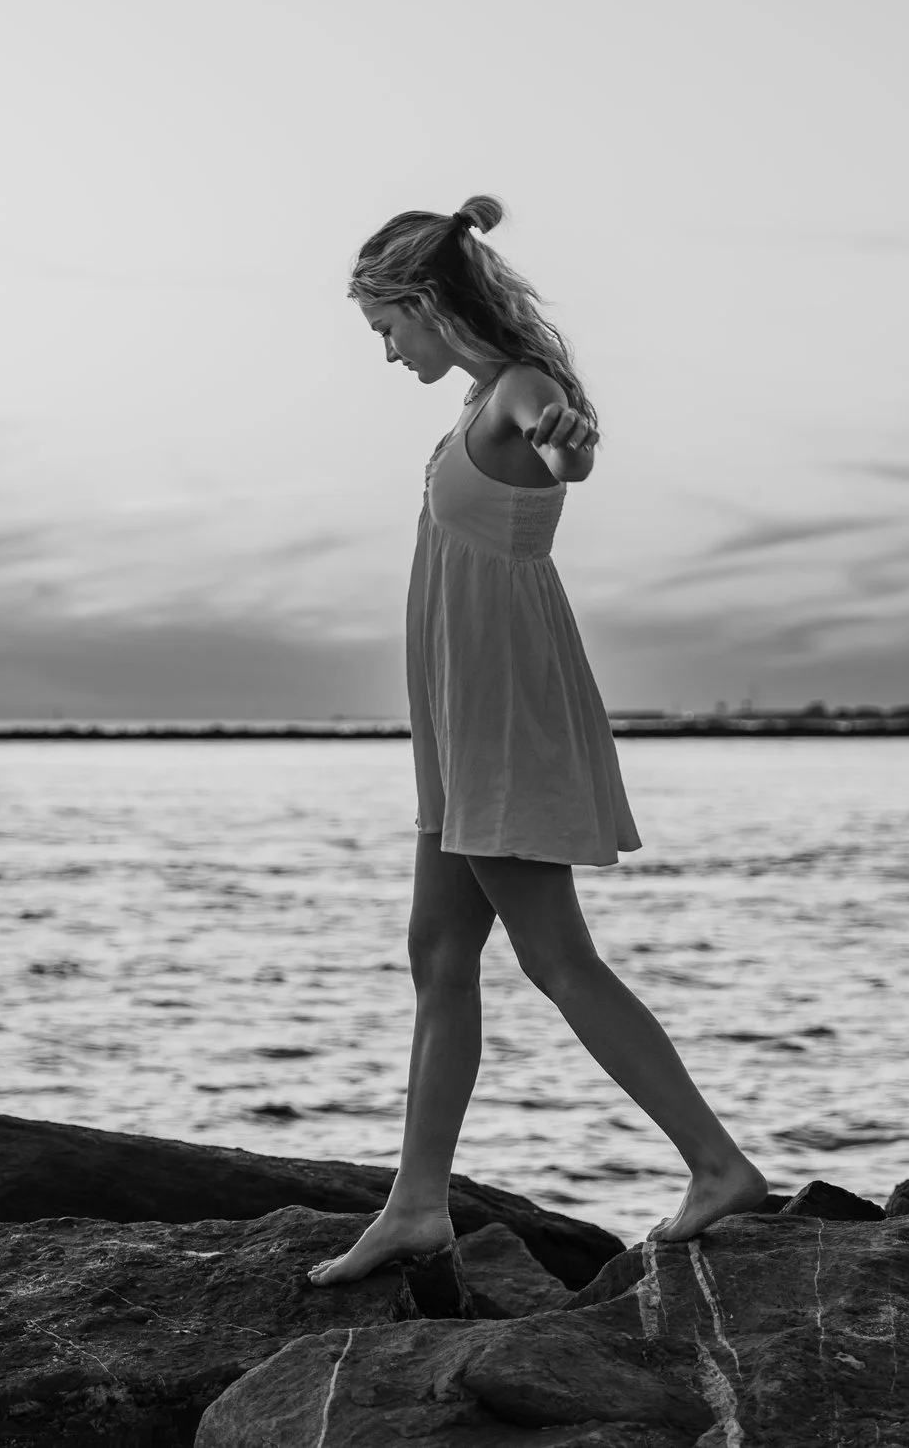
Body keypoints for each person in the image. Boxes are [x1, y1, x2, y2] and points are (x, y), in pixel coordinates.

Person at [308, 195, 766, 1287]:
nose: (384, 350)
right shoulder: (476, 397)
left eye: (385, 326)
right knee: (437, 951)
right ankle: (417, 1202)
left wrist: (569, 443)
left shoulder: (519, 388)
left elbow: (568, 454)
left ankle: (716, 1163)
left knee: (555, 954)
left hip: (502, 709)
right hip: (462, 714)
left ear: (420, 300)